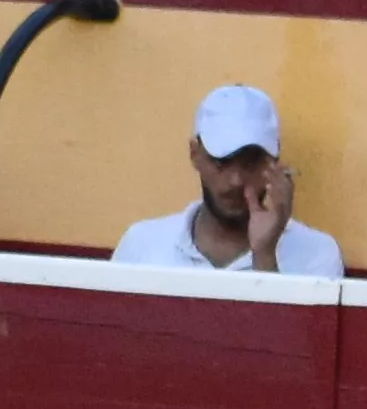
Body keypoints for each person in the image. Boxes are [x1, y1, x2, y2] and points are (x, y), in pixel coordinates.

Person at [106, 79, 340, 271]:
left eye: (250, 162)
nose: (235, 181)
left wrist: (265, 254)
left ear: (274, 161)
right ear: (195, 154)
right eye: (221, 162)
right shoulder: (142, 246)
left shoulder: (316, 253)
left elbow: (286, 319)